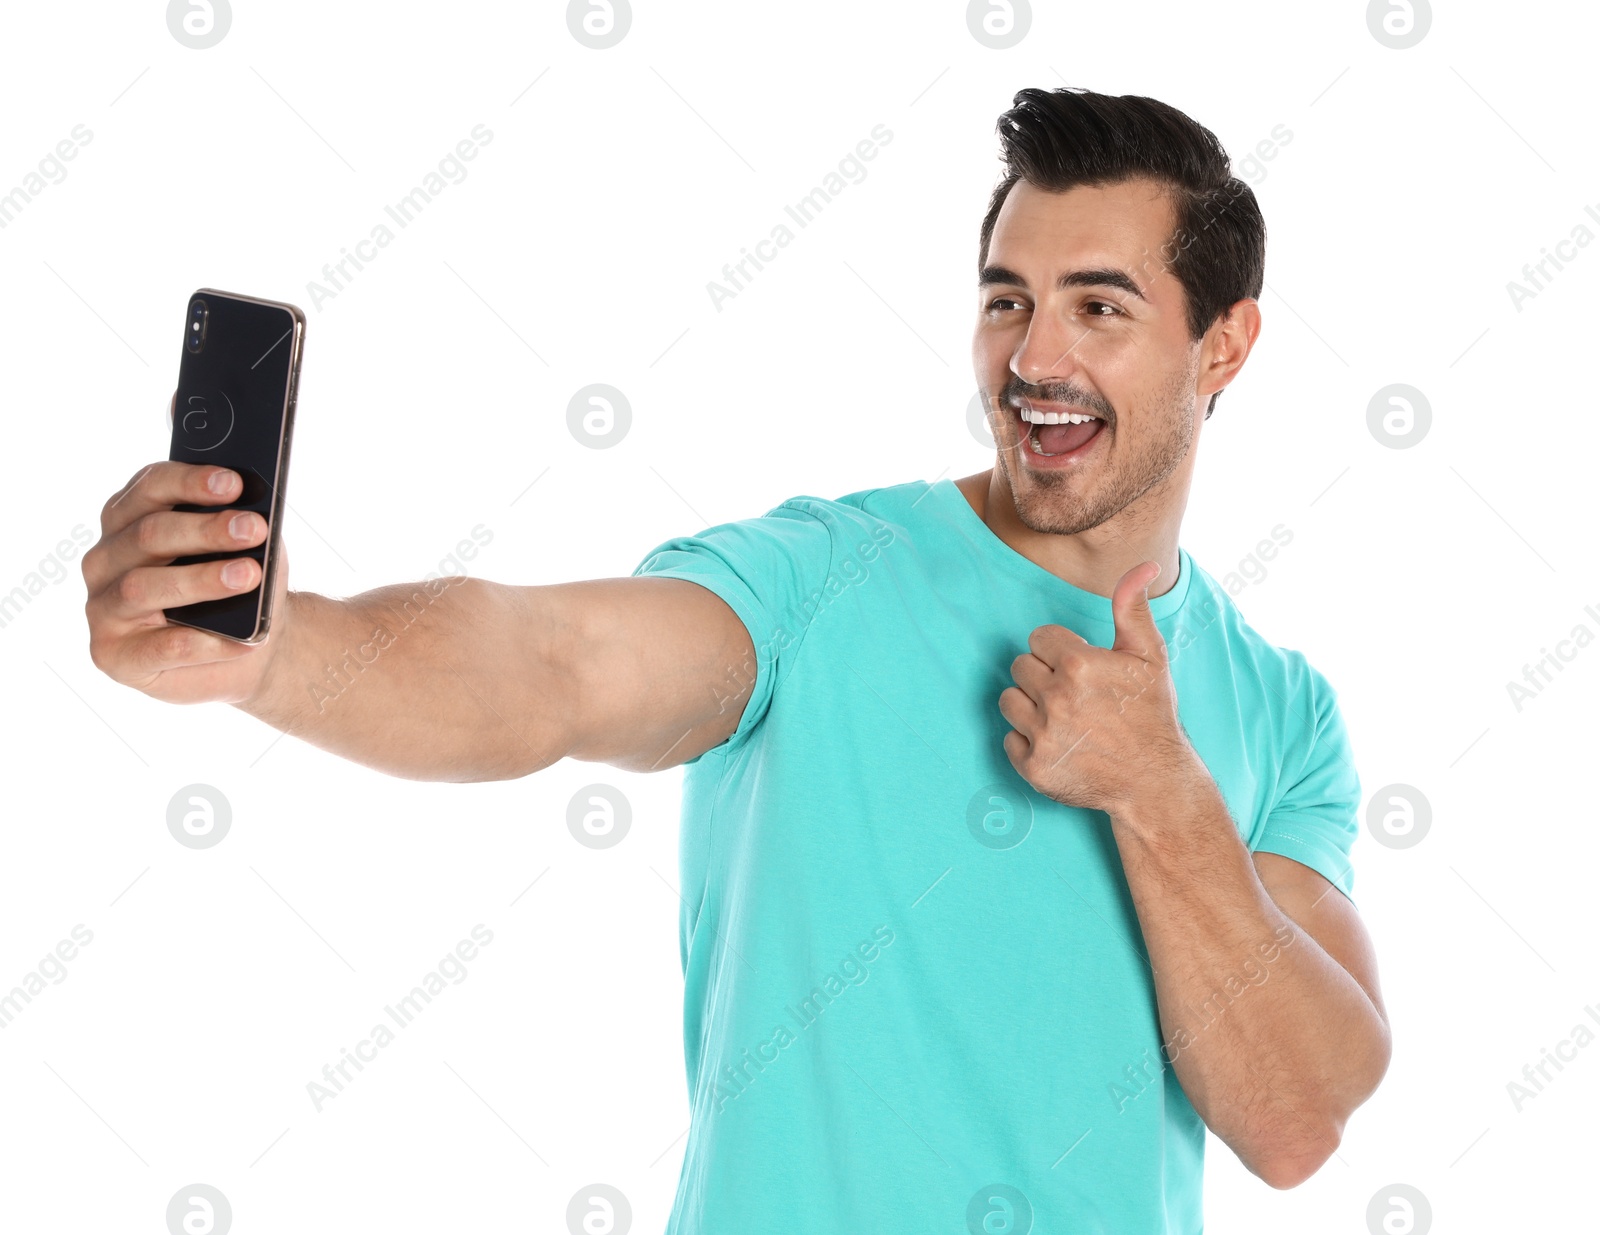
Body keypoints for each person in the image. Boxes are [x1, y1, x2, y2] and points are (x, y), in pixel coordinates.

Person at [84, 86, 1390, 1234]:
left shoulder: (1282, 708)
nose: (1033, 360)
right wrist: (277, 654)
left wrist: (1161, 791)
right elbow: (553, 664)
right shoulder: (825, 577)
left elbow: (1297, 1119)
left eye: (1100, 307)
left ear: (1222, 344)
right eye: (1008, 301)